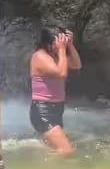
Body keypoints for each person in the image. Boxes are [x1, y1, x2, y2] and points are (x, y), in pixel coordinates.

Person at [29, 24, 82, 156]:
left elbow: (77, 65)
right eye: (58, 43)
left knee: (51, 150)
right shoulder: (39, 56)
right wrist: (62, 50)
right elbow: (61, 73)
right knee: (66, 151)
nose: (59, 46)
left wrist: (70, 45)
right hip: (43, 111)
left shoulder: (56, 56)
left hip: (57, 109)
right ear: (47, 43)